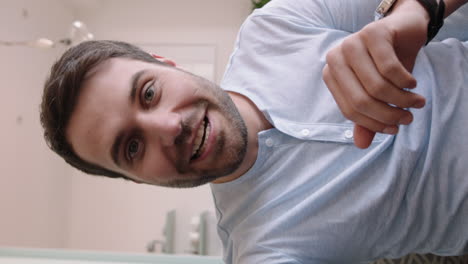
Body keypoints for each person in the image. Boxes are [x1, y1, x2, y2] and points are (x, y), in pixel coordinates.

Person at [40, 0, 468, 263]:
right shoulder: (260, 249)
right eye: (132, 147)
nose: (169, 127)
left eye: (149, 93)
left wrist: (414, 11)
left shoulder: (274, 27)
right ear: (135, 179)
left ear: (164, 63)